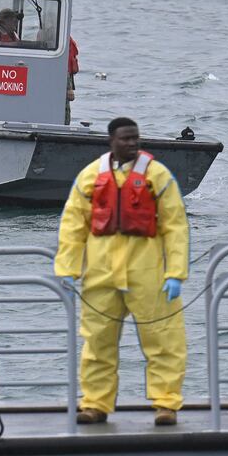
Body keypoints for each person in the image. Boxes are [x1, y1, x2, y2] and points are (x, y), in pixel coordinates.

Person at [55, 117, 189, 427]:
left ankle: (166, 403)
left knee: (164, 340)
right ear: (111, 141)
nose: (132, 143)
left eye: (136, 138)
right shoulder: (90, 177)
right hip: (100, 275)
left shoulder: (158, 176)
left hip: (149, 273)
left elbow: (176, 226)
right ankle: (95, 403)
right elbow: (73, 225)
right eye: (125, 139)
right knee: (97, 341)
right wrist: (67, 268)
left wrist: (176, 273)